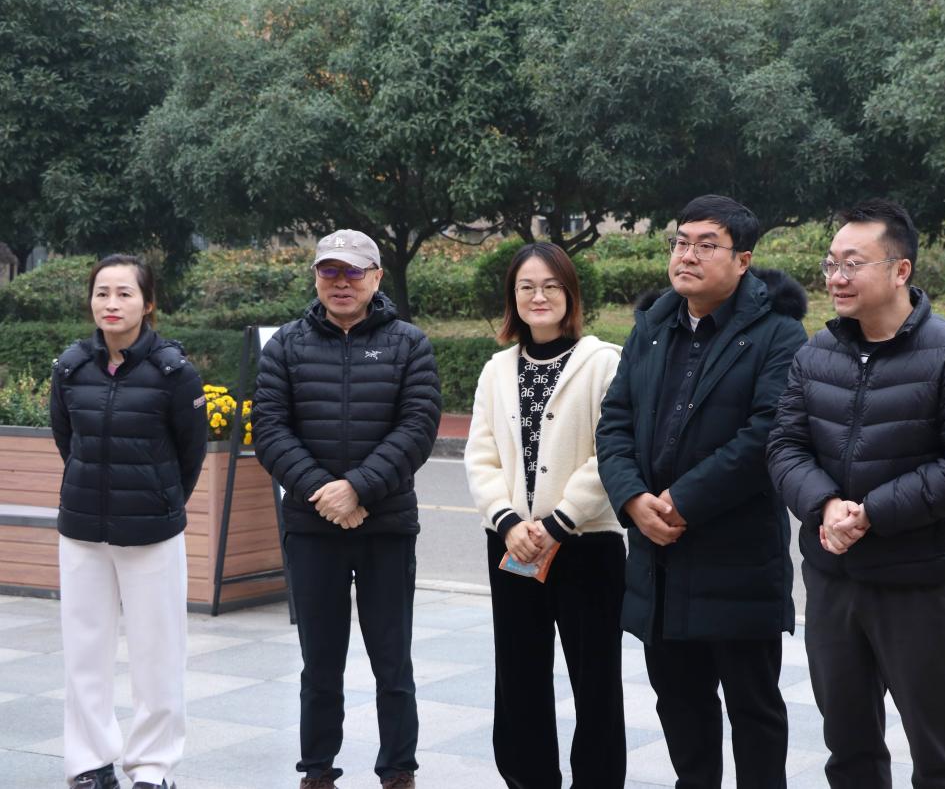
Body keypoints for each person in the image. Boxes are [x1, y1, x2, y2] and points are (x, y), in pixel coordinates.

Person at [767, 199, 945, 789]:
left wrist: (872, 513)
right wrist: (825, 505)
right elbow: (784, 446)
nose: (836, 277)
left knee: (938, 754)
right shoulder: (816, 353)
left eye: (853, 263)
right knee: (848, 750)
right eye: (831, 263)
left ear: (901, 270)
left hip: (917, 586)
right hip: (833, 580)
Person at [596, 194, 807, 789]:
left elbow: (767, 434)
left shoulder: (779, 334)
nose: (687, 255)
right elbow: (614, 421)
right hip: (660, 562)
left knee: (754, 712)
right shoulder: (652, 326)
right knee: (680, 709)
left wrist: (681, 500)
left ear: (743, 261)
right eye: (680, 242)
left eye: (706, 245)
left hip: (737, 560)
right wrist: (632, 499)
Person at [252, 229, 441, 789]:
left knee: (392, 660)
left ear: (376, 277)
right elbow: (270, 430)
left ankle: (398, 770)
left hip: (387, 525)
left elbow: (418, 427)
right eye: (329, 270)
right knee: (320, 662)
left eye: (353, 271)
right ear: (315, 277)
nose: (341, 282)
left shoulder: (409, 344)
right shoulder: (285, 346)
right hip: (312, 528)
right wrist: (326, 493)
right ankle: (317, 770)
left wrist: (357, 488)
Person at [464, 242, 625, 789]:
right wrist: (509, 521)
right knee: (519, 676)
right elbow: (481, 455)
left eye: (551, 286)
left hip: (587, 545)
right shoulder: (496, 370)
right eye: (527, 287)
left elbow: (612, 452)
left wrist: (559, 523)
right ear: (513, 297)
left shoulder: (604, 363)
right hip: (513, 545)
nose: (539, 296)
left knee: (595, 680)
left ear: (570, 294)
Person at [50, 254, 207, 789]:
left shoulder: (174, 372)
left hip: (151, 533)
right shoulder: (70, 368)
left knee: (157, 654)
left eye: (124, 293)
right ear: (90, 301)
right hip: (82, 531)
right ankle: (89, 763)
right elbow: (68, 441)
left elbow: (190, 453)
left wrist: (160, 499)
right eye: (102, 293)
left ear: (148, 303)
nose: (111, 304)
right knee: (84, 653)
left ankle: (153, 768)